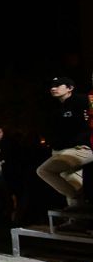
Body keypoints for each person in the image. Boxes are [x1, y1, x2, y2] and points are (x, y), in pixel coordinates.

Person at [36, 76, 92, 208]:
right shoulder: (55, 107)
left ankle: (81, 198)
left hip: (80, 149)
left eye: (58, 85)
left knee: (44, 171)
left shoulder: (82, 100)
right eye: (52, 86)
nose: (53, 88)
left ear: (70, 88)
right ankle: (77, 219)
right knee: (72, 182)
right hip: (62, 150)